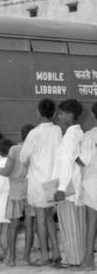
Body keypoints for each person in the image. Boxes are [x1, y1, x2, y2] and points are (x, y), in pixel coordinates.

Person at [20, 98, 61, 267]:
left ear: (38, 112)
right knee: (49, 217)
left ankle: (45, 254)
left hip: (38, 181)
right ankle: (56, 252)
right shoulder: (57, 130)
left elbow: (23, 156)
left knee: (41, 219)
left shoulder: (34, 133)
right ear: (55, 113)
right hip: (54, 180)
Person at [53, 99, 85, 267]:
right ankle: (78, 257)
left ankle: (72, 260)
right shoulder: (80, 134)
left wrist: (61, 188)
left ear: (70, 116)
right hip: (78, 186)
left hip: (68, 188)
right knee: (78, 225)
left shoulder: (69, 138)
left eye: (62, 113)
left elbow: (66, 164)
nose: (58, 117)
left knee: (69, 225)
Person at [0, 124, 35, 266]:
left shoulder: (14, 149)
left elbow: (6, 171)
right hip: (30, 191)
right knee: (29, 225)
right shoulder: (34, 150)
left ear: (21, 135)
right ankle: (27, 257)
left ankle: (11, 258)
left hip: (15, 192)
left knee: (13, 226)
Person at [77, 102, 97, 271]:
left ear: (93, 115)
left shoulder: (90, 136)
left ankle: (89, 261)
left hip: (93, 185)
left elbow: (83, 160)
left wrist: (72, 156)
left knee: (91, 224)